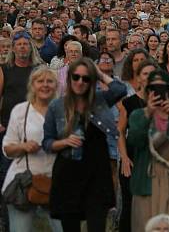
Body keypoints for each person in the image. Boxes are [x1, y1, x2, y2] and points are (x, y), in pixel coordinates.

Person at [43, 57, 126, 232]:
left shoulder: (100, 100)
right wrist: (64, 141)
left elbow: (120, 89)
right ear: (69, 78)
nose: (80, 82)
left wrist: (100, 74)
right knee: (70, 227)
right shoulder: (57, 106)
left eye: (86, 78)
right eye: (76, 77)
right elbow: (47, 142)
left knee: (97, 226)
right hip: (68, 173)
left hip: (97, 175)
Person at [127, 69, 169, 230]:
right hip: (146, 178)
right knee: (144, 225)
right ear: (147, 91)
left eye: (162, 89)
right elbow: (134, 140)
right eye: (153, 89)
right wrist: (148, 113)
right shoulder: (138, 114)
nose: (157, 93)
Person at [1, 66, 62, 231]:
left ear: (56, 86)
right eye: (40, 81)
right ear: (32, 85)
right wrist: (23, 146)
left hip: (57, 181)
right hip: (24, 181)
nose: (45, 85)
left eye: (50, 81)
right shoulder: (20, 111)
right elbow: (7, 149)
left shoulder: (64, 111)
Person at [118, 59, 158, 232]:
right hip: (133, 158)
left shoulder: (164, 102)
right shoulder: (128, 102)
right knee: (130, 206)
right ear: (139, 78)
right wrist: (125, 158)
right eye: (145, 74)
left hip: (156, 158)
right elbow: (120, 131)